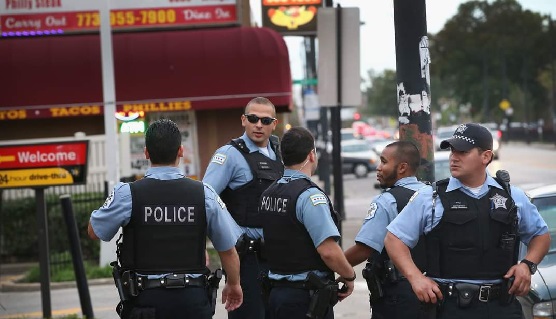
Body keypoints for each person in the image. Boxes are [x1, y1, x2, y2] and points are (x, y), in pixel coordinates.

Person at [384, 123, 551, 318]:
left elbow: (541, 235)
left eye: (462, 151)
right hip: (450, 307)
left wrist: (527, 265)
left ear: (486, 156)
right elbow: (393, 238)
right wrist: (415, 278)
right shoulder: (431, 197)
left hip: (502, 306)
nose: (454, 157)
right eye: (452, 151)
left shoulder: (512, 197)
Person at [87, 119, 243, 319]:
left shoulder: (127, 194)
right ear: (181, 151)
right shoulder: (204, 193)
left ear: (146, 153)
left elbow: (94, 231)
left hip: (146, 301)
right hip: (192, 302)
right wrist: (234, 284)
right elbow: (228, 250)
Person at [259, 126, 355, 319]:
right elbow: (328, 251)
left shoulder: (268, 194)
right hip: (305, 298)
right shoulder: (309, 197)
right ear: (312, 155)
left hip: (276, 294)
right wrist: (349, 276)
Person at [203, 97, 284, 319]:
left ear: (274, 124)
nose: (259, 125)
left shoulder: (279, 154)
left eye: (265, 120)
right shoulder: (229, 155)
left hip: (277, 258)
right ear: (243, 120)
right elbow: (205, 200)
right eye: (253, 118)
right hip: (245, 259)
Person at [344, 140, 428, 319]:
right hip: (429, 289)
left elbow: (364, 249)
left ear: (402, 167)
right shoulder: (430, 194)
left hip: (397, 295)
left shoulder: (387, 201)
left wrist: (335, 264)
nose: (378, 168)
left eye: (384, 161)